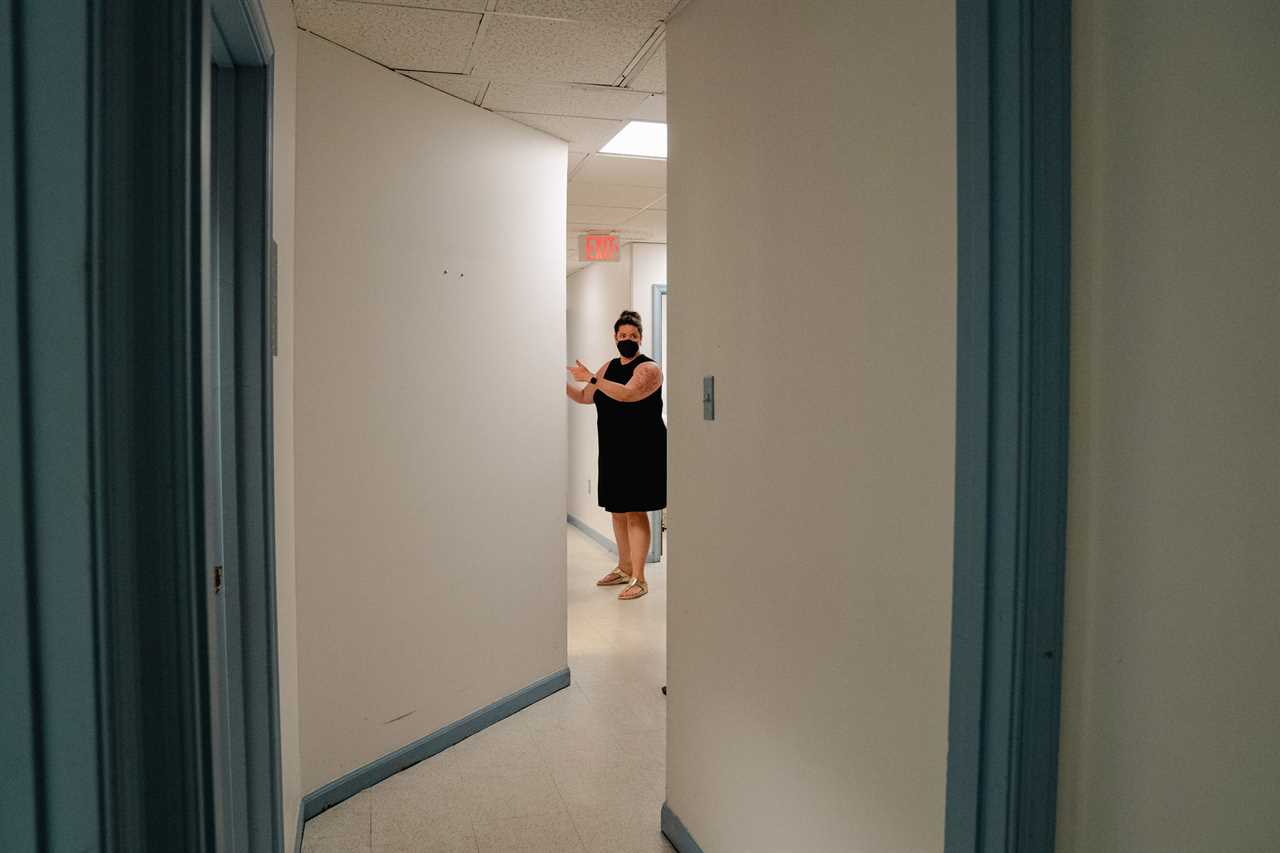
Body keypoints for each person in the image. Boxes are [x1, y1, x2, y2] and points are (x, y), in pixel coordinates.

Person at [565, 310, 666, 600]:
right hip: (614, 449)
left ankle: (640, 578)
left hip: (643, 451)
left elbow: (626, 394)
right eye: (622, 336)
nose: (627, 340)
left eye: (633, 336)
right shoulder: (608, 366)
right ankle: (623, 568)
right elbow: (586, 396)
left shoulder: (650, 369)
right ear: (615, 337)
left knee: (636, 511)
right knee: (618, 511)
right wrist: (561, 384)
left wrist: (592, 379)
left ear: (641, 338)